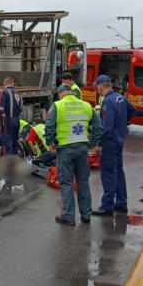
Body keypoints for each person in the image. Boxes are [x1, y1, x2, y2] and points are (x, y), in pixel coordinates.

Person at [44, 84, 102, 226]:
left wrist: (50, 141)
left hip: (65, 150)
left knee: (66, 182)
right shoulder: (86, 105)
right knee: (83, 182)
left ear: (60, 95)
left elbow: (49, 124)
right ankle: (86, 214)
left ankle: (68, 216)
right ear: (72, 93)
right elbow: (98, 125)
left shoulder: (58, 105)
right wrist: (93, 142)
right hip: (82, 149)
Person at [92, 75, 138, 216]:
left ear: (100, 86)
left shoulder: (108, 102)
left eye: (97, 87)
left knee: (108, 174)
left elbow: (106, 127)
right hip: (119, 141)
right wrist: (121, 122)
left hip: (110, 143)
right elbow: (133, 110)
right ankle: (121, 203)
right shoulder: (120, 98)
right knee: (119, 172)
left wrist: (99, 144)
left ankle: (107, 206)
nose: (97, 90)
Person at [0, 75, 22, 155]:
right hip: (16, 121)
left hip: (7, 122)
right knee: (15, 144)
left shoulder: (4, 92)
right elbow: (21, 109)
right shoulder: (18, 94)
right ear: (13, 84)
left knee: (7, 144)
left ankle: (9, 162)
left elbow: (0, 109)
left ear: (4, 83)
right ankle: (15, 161)